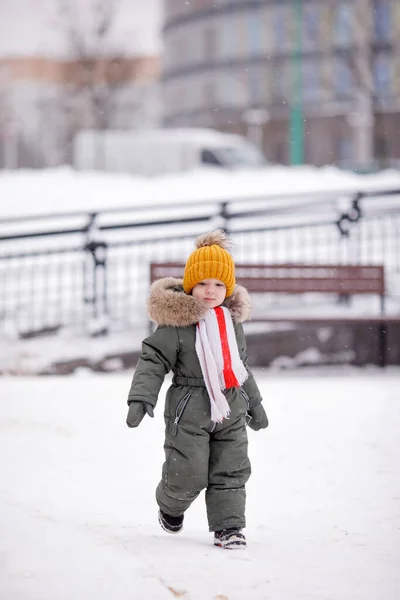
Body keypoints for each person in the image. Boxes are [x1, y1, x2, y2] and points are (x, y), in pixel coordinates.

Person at [126, 229, 268, 549]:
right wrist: (141, 396)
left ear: (227, 289)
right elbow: (153, 360)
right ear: (191, 285)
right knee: (187, 472)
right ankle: (171, 505)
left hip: (230, 405)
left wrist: (255, 404)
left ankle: (228, 526)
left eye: (219, 284)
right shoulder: (176, 325)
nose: (210, 291)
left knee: (231, 469)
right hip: (188, 407)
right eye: (203, 283)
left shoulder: (231, 324)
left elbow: (241, 367)